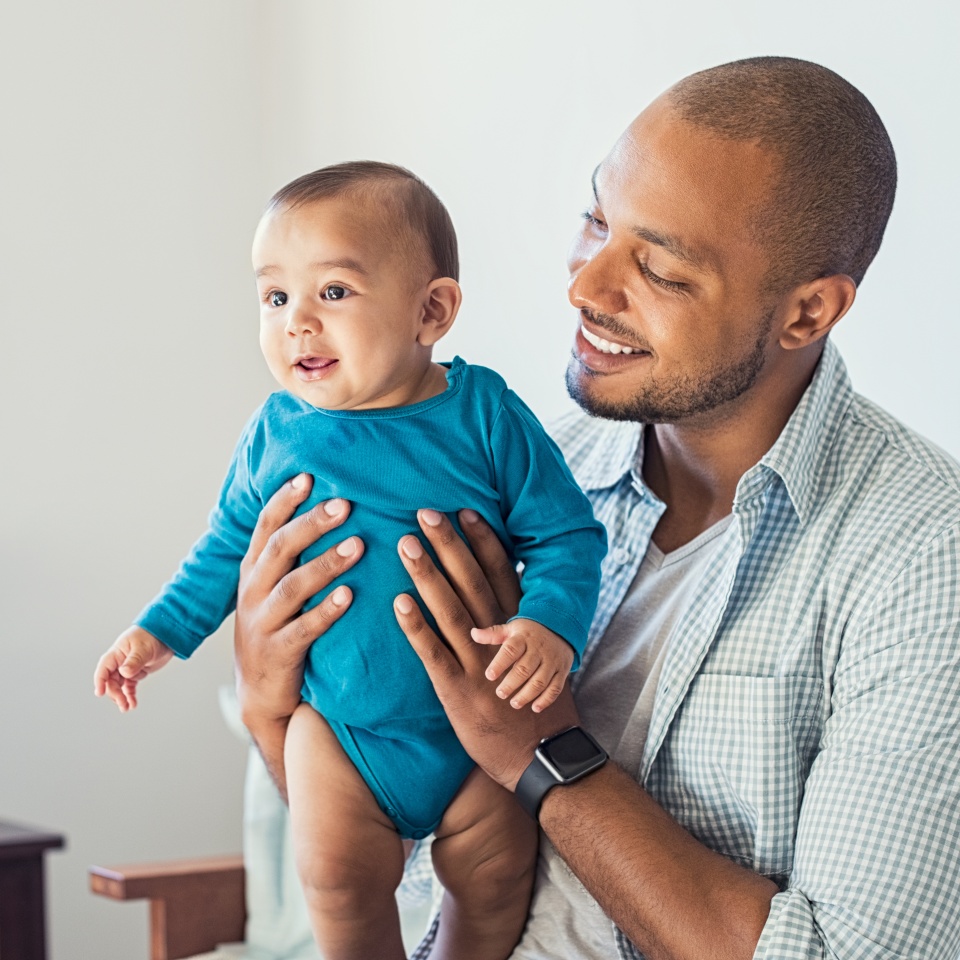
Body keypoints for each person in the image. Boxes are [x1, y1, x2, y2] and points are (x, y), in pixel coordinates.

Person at [230, 56, 960, 960]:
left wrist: (545, 754)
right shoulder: (526, 471)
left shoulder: (924, 558)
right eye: (596, 220)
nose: (585, 286)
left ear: (807, 312)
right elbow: (398, 842)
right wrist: (272, 708)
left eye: (656, 266)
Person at [93, 161, 607, 960]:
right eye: (275, 297)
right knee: (334, 880)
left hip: (481, 736)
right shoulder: (276, 431)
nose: (297, 322)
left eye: (332, 292)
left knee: (496, 876)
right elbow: (226, 548)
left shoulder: (484, 413)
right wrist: (157, 633)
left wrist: (549, 625)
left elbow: (567, 535)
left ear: (431, 311)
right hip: (340, 737)